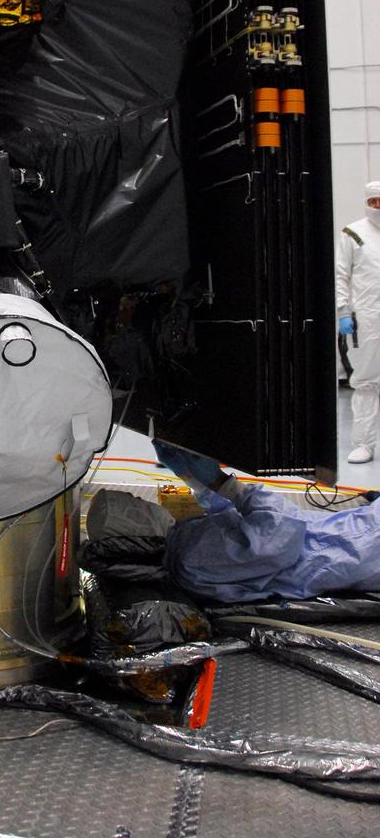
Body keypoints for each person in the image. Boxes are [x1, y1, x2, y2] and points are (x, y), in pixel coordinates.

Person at [153, 440, 380, 602]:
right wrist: (222, 483)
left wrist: (194, 479)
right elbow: (279, 533)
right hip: (363, 545)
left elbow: (229, 521)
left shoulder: (184, 545)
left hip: (351, 531)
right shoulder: (192, 561)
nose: (139, 503)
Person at [337, 180, 380, 464]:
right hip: (368, 319)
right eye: (373, 201)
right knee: (366, 381)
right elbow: (341, 274)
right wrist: (342, 311)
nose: (378, 206)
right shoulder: (354, 233)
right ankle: (364, 443)